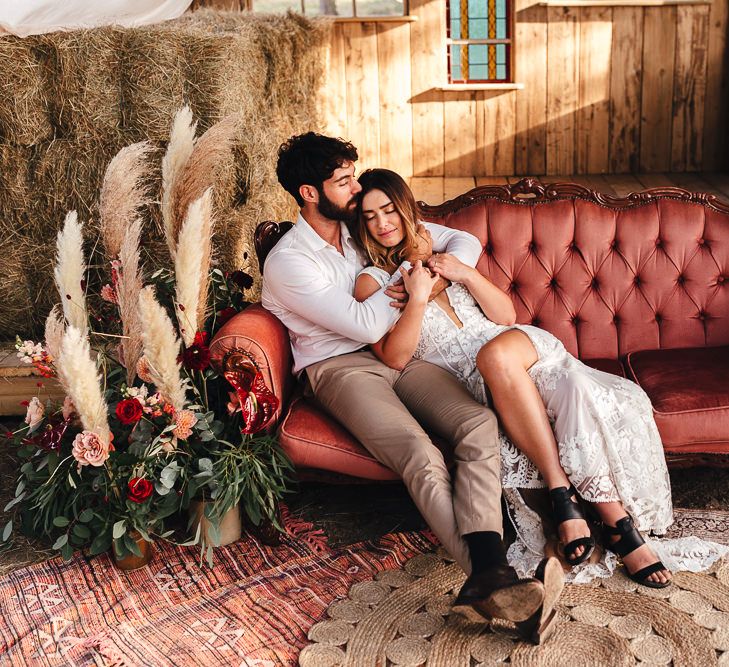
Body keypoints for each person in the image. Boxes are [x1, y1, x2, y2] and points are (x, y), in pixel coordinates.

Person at [353, 167, 727, 586]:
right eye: (369, 217)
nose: (382, 224)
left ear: (405, 208)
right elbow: (395, 357)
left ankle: (560, 493)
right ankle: (622, 529)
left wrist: (467, 274)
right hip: (479, 380)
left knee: (501, 354)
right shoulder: (373, 282)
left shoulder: (444, 253)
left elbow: (506, 316)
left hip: (518, 346)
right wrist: (418, 298)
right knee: (574, 390)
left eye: (388, 210)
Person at [261, 132, 564, 633]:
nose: (356, 189)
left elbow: (457, 240)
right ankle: (494, 576)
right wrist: (412, 283)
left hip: (400, 358)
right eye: (342, 181)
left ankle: (488, 576)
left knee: (477, 422)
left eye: (352, 176)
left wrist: (436, 275)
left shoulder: (360, 230)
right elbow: (362, 325)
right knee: (418, 453)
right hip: (340, 367)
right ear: (309, 193)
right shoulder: (290, 260)